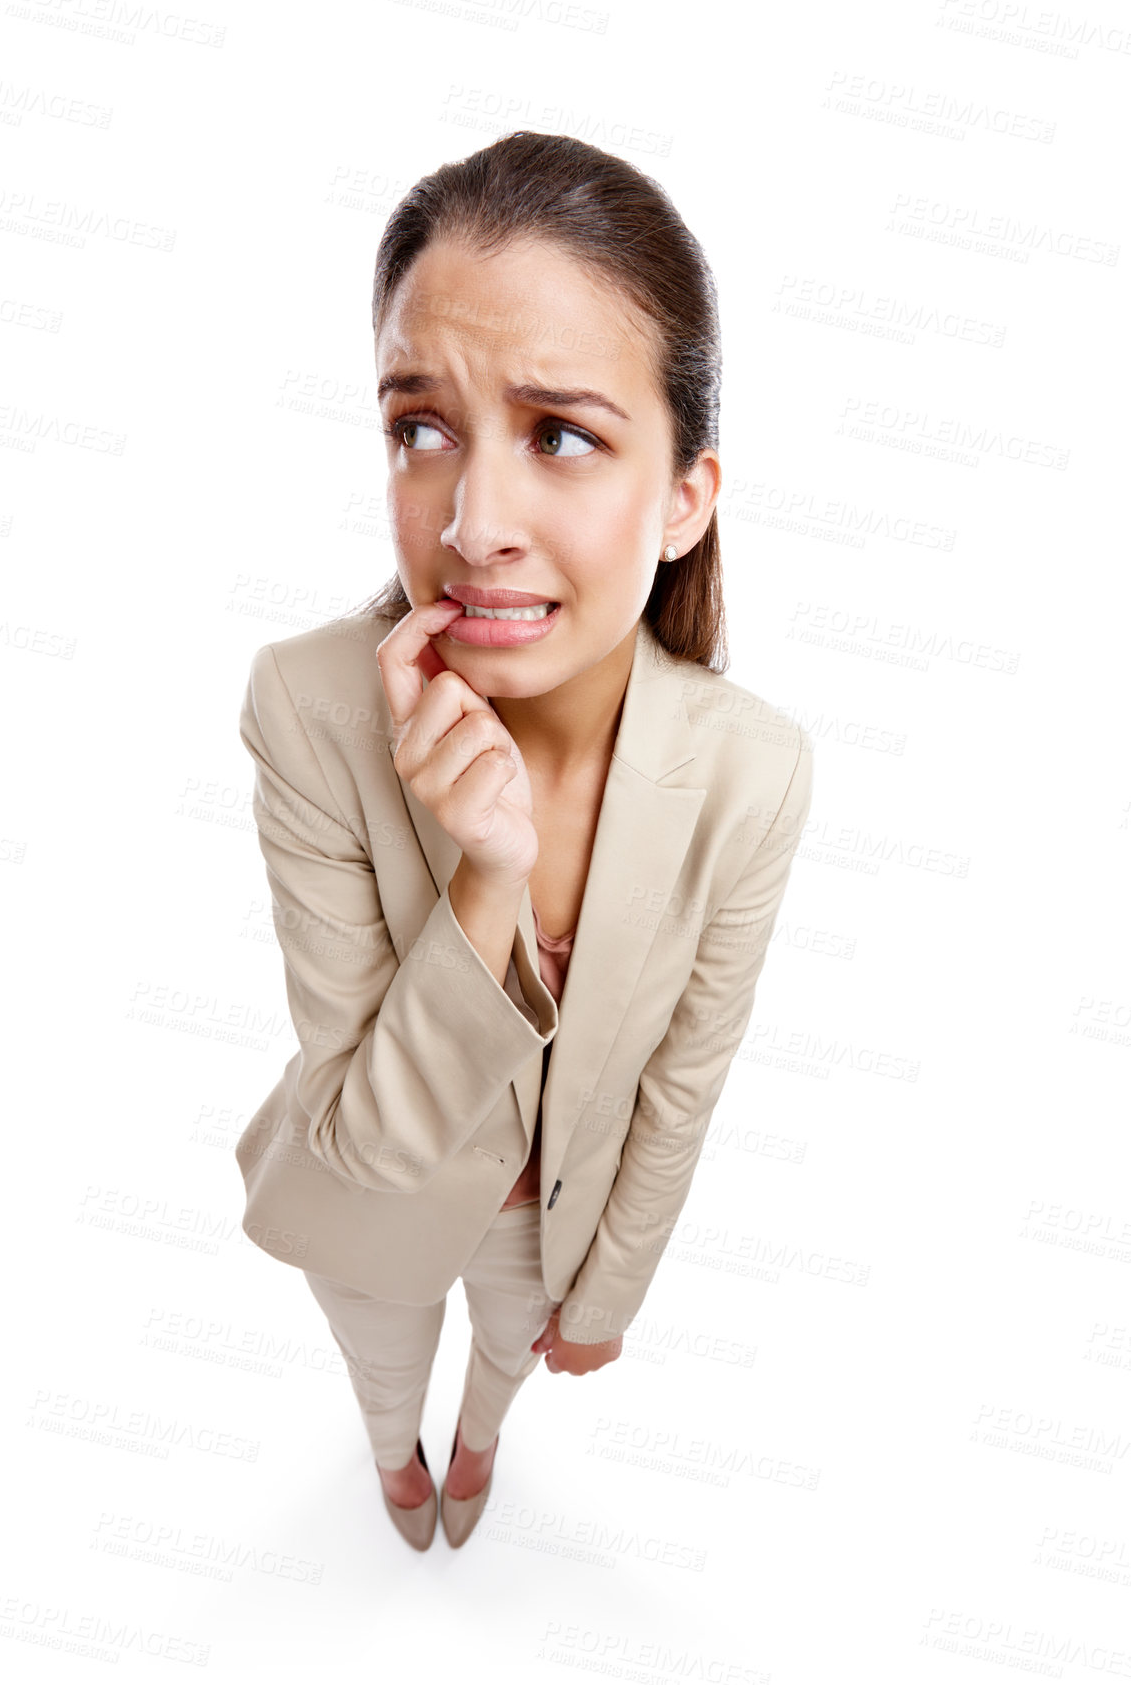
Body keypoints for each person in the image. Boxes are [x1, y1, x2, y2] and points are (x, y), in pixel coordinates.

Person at [234, 130, 814, 1551]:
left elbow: (682, 1083)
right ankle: (394, 1461)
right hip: (369, 1206)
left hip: (549, 1224)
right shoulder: (308, 705)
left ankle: (477, 1441)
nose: (470, 522)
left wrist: (605, 1298)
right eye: (419, 428)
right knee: (387, 1370)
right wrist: (485, 879)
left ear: (684, 499)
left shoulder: (750, 771)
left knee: (501, 1366)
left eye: (559, 434)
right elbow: (368, 1137)